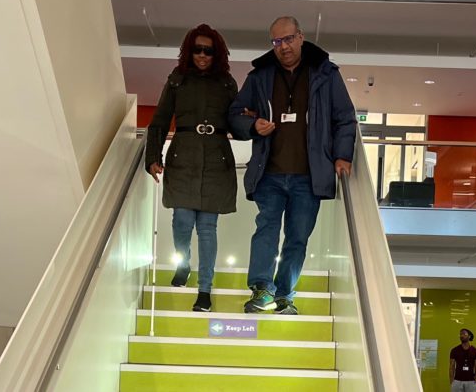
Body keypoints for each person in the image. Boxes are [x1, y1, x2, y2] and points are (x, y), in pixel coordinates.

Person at [230, 16, 357, 315]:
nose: (283, 46)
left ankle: (285, 294)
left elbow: (345, 118)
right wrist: (251, 125)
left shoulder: (326, 73)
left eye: (288, 39)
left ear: (301, 37)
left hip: (309, 176)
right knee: (266, 231)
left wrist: (343, 156)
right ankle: (262, 290)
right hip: (269, 173)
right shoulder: (260, 76)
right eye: (276, 41)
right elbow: (234, 114)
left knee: (297, 237)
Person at [146, 24, 239, 313]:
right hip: (183, 154)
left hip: (215, 158)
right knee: (182, 221)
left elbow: (237, 120)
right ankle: (183, 263)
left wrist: (252, 123)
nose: (202, 55)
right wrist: (153, 155)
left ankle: (205, 290)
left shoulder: (227, 83)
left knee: (208, 228)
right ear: (189, 50)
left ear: (217, 53)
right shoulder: (177, 80)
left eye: (208, 50)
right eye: (197, 49)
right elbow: (160, 119)